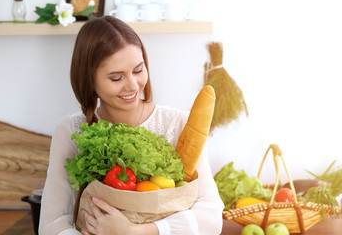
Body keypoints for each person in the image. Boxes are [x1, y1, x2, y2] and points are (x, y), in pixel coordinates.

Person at [39, 15, 224, 235]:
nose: (132, 86)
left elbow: (212, 217)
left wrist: (137, 231)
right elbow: (52, 224)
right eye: (116, 78)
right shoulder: (71, 131)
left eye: (138, 70)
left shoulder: (180, 124)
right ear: (89, 80)